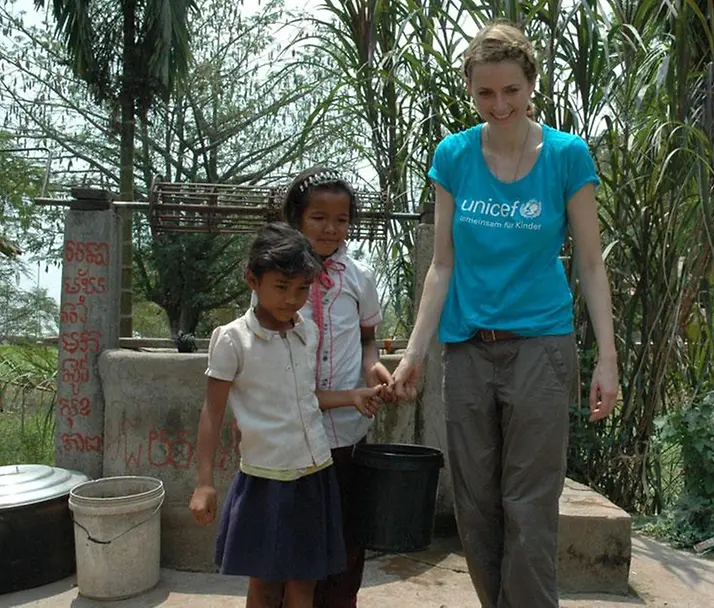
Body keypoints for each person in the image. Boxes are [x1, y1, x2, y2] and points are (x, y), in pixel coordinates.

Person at [391, 21, 620, 608]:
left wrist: (608, 362)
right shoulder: (454, 156)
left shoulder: (567, 156)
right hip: (467, 349)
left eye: (511, 91)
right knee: (476, 505)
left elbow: (591, 264)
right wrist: (416, 352)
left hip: (542, 349)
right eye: (486, 94)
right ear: (471, 91)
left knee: (530, 505)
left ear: (531, 84)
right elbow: (442, 265)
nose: (499, 105)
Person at [189, 222, 382, 607]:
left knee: (304, 584)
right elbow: (212, 412)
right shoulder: (231, 339)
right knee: (264, 585)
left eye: (300, 289)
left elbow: (304, 399)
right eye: (280, 287)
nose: (291, 299)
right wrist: (204, 482)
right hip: (265, 481)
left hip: (315, 476)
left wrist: (352, 396)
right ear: (252, 280)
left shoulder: (305, 331)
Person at [265, 166, 394, 607]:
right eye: (318, 217)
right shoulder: (275, 278)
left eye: (341, 220)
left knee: (345, 537)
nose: (330, 228)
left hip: (346, 437)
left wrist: (374, 368)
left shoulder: (359, 276)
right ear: (297, 219)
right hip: (290, 436)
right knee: (293, 541)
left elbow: (367, 338)